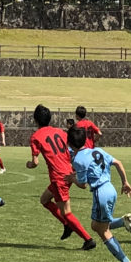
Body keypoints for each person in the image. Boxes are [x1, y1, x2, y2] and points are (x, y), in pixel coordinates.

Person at [68, 121, 131, 262]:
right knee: (95, 225)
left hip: (101, 193)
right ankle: (123, 222)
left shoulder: (78, 160)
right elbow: (118, 163)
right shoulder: (98, 150)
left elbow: (83, 184)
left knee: (102, 230)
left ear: (70, 144)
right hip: (111, 189)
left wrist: (72, 178)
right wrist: (125, 182)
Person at [27, 104, 94, 246]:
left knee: (66, 212)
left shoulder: (36, 137)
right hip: (69, 171)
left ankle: (88, 240)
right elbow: (72, 149)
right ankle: (66, 224)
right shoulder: (61, 132)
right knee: (44, 200)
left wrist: (29, 164)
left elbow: (35, 163)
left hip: (59, 177)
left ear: (35, 120)